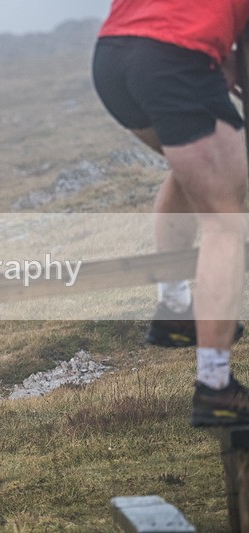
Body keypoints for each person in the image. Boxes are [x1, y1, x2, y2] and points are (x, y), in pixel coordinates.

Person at [93, 0, 249, 426]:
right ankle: (216, 387)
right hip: (174, 56)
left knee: (193, 171)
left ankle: (175, 311)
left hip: (114, 55)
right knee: (226, 219)